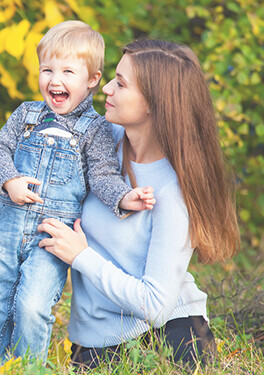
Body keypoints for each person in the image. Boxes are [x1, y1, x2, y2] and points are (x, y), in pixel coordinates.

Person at [37, 39, 240, 368]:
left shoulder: (173, 191)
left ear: (153, 103)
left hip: (169, 334)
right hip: (94, 335)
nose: (105, 88)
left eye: (120, 83)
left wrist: (81, 256)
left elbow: (156, 305)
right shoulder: (101, 144)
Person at [0, 20, 155, 366]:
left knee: (32, 305)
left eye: (68, 71)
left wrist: (122, 197)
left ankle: (27, 368)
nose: (55, 80)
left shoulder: (96, 129)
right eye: (47, 70)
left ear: (91, 80)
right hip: (7, 229)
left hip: (51, 238)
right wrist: (9, 180)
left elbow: (102, 173)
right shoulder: (26, 114)